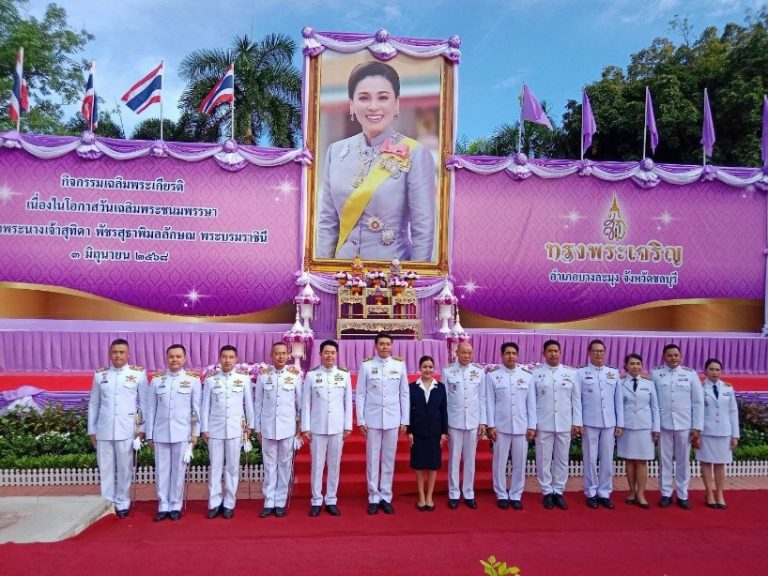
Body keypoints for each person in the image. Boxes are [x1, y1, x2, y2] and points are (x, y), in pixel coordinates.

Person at [316, 60, 436, 262]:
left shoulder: (415, 153)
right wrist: (322, 273)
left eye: (383, 97)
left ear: (396, 104)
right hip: (341, 271)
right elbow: (328, 222)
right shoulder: (335, 152)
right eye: (364, 98)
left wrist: (417, 280)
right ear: (352, 105)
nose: (373, 107)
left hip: (393, 275)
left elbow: (423, 229)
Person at [87, 338, 148, 518]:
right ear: (109, 354)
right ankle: (106, 502)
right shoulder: (100, 375)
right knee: (105, 467)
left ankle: (122, 501)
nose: (118, 355)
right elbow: (94, 404)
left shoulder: (138, 374)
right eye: (115, 352)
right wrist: (92, 430)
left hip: (127, 429)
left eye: (122, 352)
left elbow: (145, 403)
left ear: (128, 354)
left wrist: (142, 427)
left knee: (124, 467)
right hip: (104, 429)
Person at [145, 344, 202, 521]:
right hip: (161, 433)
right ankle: (163, 504)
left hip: (182, 433)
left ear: (184, 358)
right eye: (171, 356)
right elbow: (150, 410)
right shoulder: (156, 380)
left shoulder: (193, 380)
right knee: (162, 470)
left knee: (178, 470)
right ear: (166, 358)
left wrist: (195, 434)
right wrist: (149, 434)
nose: (175, 359)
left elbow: (196, 410)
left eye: (178, 356)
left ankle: (176, 504)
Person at [356, 331, 409, 515]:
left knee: (388, 460)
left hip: (393, 419)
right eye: (382, 344)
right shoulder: (367, 366)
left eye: (388, 344)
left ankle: (386, 496)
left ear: (392, 346)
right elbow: (360, 394)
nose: (385, 347)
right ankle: (373, 496)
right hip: (372, 419)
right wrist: (361, 420)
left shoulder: (399, 365)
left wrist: (405, 419)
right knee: (372, 459)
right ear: (375, 345)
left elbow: (404, 394)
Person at [201, 345, 254, 520]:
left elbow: (249, 404)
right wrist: (205, 429)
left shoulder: (243, 379)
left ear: (236, 360)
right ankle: (214, 503)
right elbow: (205, 407)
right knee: (215, 468)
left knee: (232, 468)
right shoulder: (211, 380)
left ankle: (229, 503)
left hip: (235, 429)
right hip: (215, 430)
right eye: (224, 357)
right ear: (219, 359)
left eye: (231, 357)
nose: (227, 360)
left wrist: (250, 425)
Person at [301, 339, 353, 517]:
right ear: (320, 354)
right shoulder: (311, 375)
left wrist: (348, 426)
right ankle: (316, 500)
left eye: (332, 353)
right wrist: (305, 427)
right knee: (317, 465)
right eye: (326, 353)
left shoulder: (344, 375)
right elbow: (305, 402)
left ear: (336, 354)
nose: (329, 356)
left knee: (334, 465)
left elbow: (348, 402)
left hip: (337, 427)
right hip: (317, 427)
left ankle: (331, 499)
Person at [651, 344, 704, 510]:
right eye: (669, 355)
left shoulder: (690, 374)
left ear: (680, 357)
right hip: (664, 424)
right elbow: (653, 402)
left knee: (683, 461)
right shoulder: (656, 374)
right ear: (664, 357)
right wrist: (655, 426)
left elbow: (698, 402)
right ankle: (665, 493)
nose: (673, 358)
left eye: (676, 355)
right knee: (664, 461)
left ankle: (682, 494)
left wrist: (697, 427)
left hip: (684, 424)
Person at [532, 339, 582, 510]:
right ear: (544, 353)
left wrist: (577, 422)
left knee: (562, 459)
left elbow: (576, 400)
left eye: (556, 351)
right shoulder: (535, 373)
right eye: (550, 351)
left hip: (564, 422)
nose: (553, 354)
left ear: (561, 353)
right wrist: (533, 424)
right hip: (543, 422)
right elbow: (531, 402)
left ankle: (558, 491)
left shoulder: (571, 373)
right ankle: (546, 491)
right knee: (543, 459)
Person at [254, 342, 303, 518]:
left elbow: (301, 404)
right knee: (269, 465)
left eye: (284, 353)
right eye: (277, 353)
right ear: (271, 355)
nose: (281, 356)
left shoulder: (295, 376)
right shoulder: (263, 376)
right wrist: (258, 427)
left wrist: (300, 428)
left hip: (287, 428)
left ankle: (280, 500)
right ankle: (269, 500)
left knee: (284, 464)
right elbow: (258, 403)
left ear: (288, 355)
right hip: (268, 427)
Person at [486, 342, 536, 511]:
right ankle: (501, 494)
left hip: (521, 427)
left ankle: (515, 494)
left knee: (519, 463)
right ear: (501, 355)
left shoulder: (527, 376)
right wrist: (491, 425)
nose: (511, 356)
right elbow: (490, 403)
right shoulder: (493, 376)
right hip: (501, 426)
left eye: (514, 353)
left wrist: (532, 426)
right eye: (507, 353)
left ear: (518, 355)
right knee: (499, 462)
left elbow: (531, 404)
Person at [577, 339, 624, 509]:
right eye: (595, 351)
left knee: (607, 458)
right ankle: (591, 492)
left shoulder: (613, 372)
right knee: (589, 458)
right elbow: (578, 400)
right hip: (589, 421)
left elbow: (618, 399)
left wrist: (620, 422)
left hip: (609, 422)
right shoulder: (580, 373)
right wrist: (578, 422)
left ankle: (604, 492)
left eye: (601, 351)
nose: (599, 354)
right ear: (589, 353)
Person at [443, 340, 486, 510]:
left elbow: (482, 399)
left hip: (473, 422)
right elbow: (444, 398)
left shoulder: (479, 372)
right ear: (456, 353)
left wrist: (483, 421)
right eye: (463, 352)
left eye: (469, 352)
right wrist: (444, 423)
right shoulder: (447, 372)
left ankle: (468, 493)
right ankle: (453, 493)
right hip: (454, 421)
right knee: (454, 459)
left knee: (470, 460)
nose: (466, 355)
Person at [617, 353, 660, 509]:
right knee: (629, 460)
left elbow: (654, 407)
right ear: (626, 366)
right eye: (632, 363)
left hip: (644, 426)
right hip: (627, 426)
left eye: (638, 363)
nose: (635, 366)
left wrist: (656, 428)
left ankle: (641, 493)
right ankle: (632, 491)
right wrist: (619, 425)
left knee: (642, 461)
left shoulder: (649, 384)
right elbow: (618, 407)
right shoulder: (620, 383)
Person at [407, 355, 448, 512]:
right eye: (425, 366)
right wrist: (409, 431)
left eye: (431, 367)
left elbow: (444, 410)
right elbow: (409, 410)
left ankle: (429, 495)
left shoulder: (441, 387)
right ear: (419, 368)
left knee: (433, 465)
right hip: (417, 432)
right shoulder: (412, 387)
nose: (428, 370)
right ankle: (421, 496)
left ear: (434, 368)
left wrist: (444, 432)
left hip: (435, 432)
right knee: (418, 465)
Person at [697, 358, 740, 509]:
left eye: (717, 369)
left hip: (724, 431)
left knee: (720, 464)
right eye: (711, 369)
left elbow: (733, 412)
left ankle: (720, 493)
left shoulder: (728, 388)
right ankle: (709, 492)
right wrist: (696, 432)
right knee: (706, 463)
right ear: (705, 372)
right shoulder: (700, 388)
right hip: (706, 431)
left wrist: (735, 435)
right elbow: (696, 411)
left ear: (722, 371)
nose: (715, 372)